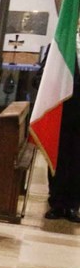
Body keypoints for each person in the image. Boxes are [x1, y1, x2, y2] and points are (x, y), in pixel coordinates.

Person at [42, 22, 80, 222]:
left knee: (78, 160)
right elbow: (43, 76)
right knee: (59, 158)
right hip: (62, 110)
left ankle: (73, 205)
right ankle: (56, 203)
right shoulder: (60, 45)